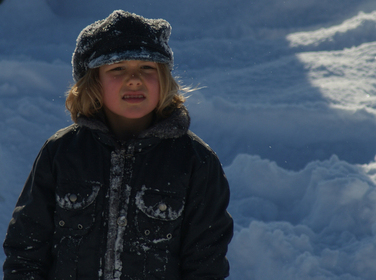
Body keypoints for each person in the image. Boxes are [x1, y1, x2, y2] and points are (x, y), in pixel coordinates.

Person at [3, 10, 233, 280]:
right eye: (118, 68)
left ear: (164, 80)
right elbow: (26, 251)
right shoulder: (61, 153)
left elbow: (206, 265)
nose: (134, 79)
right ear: (94, 82)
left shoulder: (196, 162)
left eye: (147, 68)